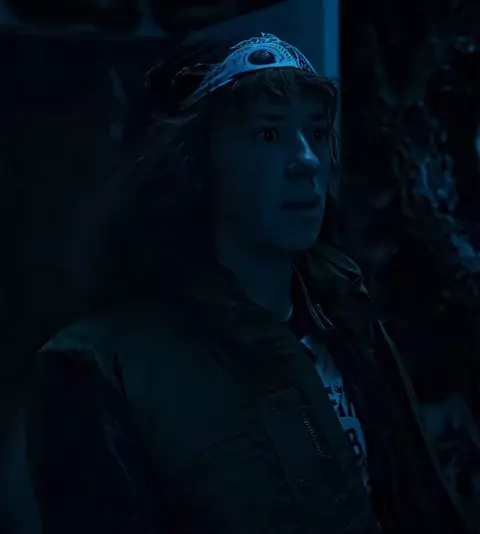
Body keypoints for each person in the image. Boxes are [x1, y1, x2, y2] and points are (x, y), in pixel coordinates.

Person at [25, 33, 469, 534]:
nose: (306, 160)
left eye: (317, 131)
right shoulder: (101, 368)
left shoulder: (345, 313)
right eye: (268, 134)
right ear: (197, 163)